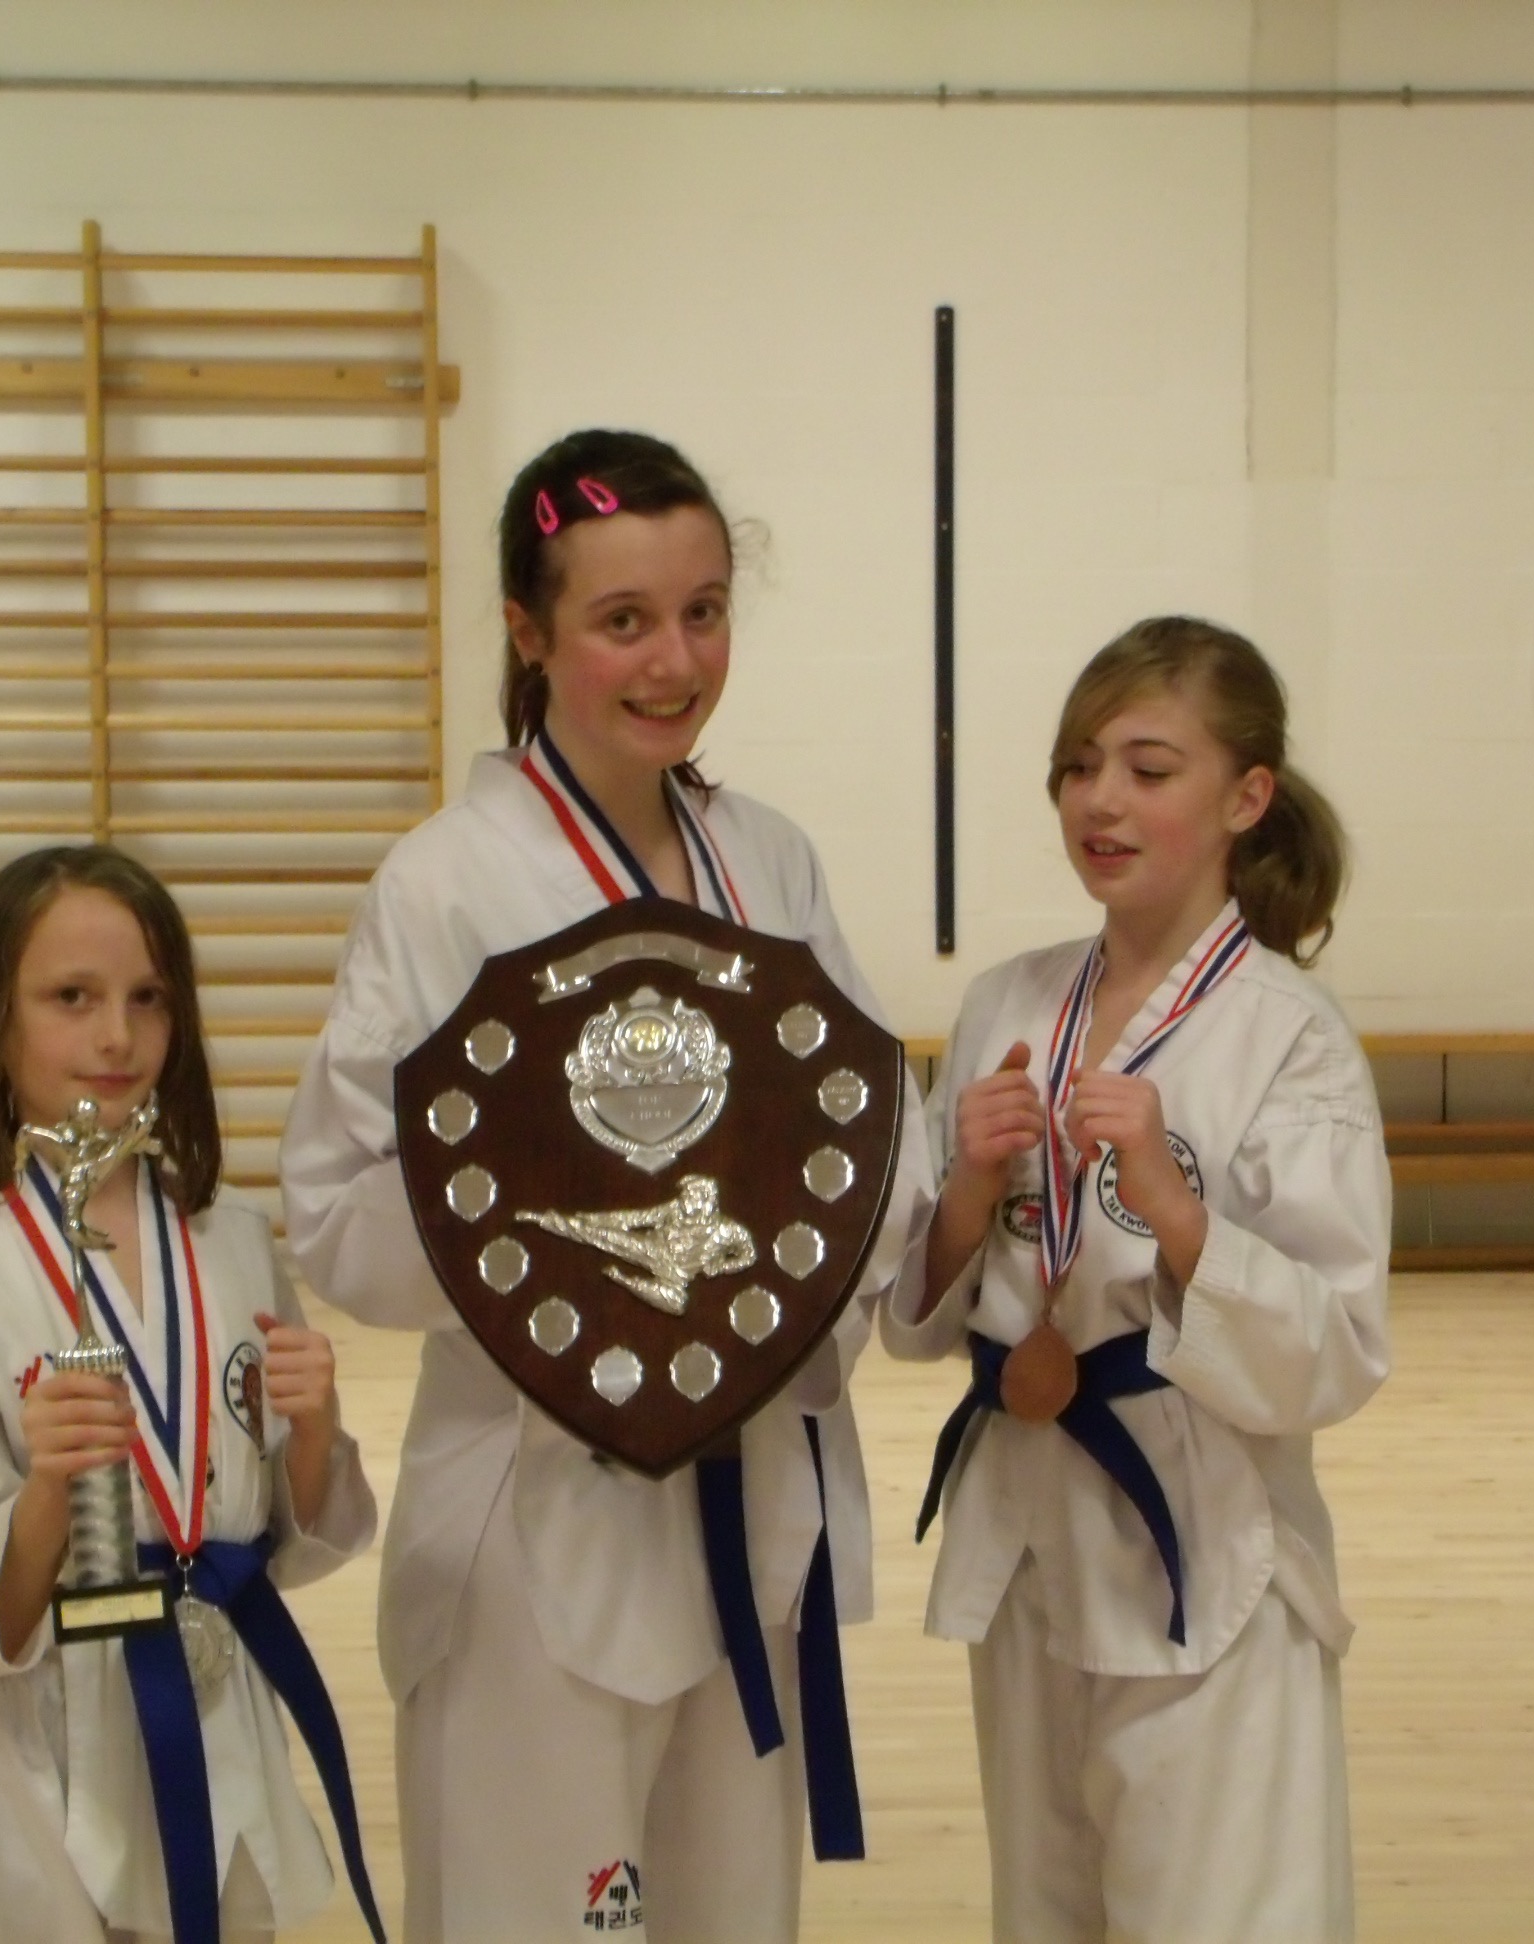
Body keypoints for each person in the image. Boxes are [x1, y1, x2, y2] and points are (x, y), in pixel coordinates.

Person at [281, 429, 927, 1942]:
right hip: (538, 1512)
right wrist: (576, 1234)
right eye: (622, 620)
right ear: (529, 631)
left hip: (748, 1494)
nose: (673, 661)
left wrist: (780, 1254)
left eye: (703, 612)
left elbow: (877, 1145)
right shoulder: (445, 884)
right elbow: (339, 1208)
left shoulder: (769, 863)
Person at [883, 616, 1391, 1942]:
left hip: (1204, 1545)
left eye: (1149, 769)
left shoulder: (1291, 1037)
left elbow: (1335, 1349)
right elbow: (919, 1314)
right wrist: (969, 1189)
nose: (1100, 800)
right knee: (1045, 1915)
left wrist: (1172, 1204)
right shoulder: (1008, 1004)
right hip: (1028, 1532)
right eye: (1078, 765)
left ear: (1246, 797)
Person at [0, 845, 383, 1943]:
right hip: (35, 1743)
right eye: (72, 997)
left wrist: (314, 1431)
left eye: (147, 998)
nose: (117, 1036)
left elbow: (283, 1538)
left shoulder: (233, 1237)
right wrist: (47, 1493)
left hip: (216, 1708)